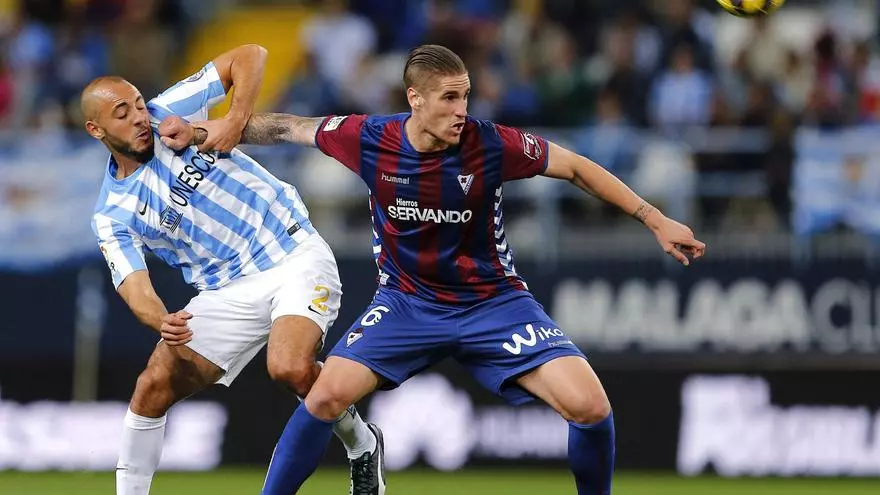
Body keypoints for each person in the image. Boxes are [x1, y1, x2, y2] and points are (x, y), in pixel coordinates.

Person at [160, 44, 706, 495]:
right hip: (407, 305)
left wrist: (654, 218)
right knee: (324, 397)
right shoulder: (369, 138)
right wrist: (205, 131)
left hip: (494, 303)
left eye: (465, 96)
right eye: (449, 98)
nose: (461, 110)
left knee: (591, 408)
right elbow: (284, 128)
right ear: (414, 99)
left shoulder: (490, 143)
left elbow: (575, 167)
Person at [82, 44, 384, 495]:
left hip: (291, 252)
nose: (139, 118)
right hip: (226, 291)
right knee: (152, 385)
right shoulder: (112, 214)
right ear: (96, 129)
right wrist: (160, 318)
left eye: (139, 104)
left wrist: (233, 120)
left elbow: (251, 54)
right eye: (122, 114)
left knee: (289, 367)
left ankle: (361, 444)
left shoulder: (171, 111)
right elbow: (133, 284)